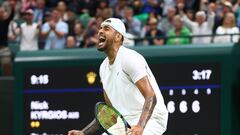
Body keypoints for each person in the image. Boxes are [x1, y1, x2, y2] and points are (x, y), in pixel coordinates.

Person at [68, 18, 168, 135]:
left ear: (118, 37)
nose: (100, 31)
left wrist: (140, 126)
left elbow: (151, 96)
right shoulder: (103, 68)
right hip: (124, 122)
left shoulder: (129, 58)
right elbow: (111, 112)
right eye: (100, 28)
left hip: (151, 119)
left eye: (106, 29)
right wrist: (84, 133)